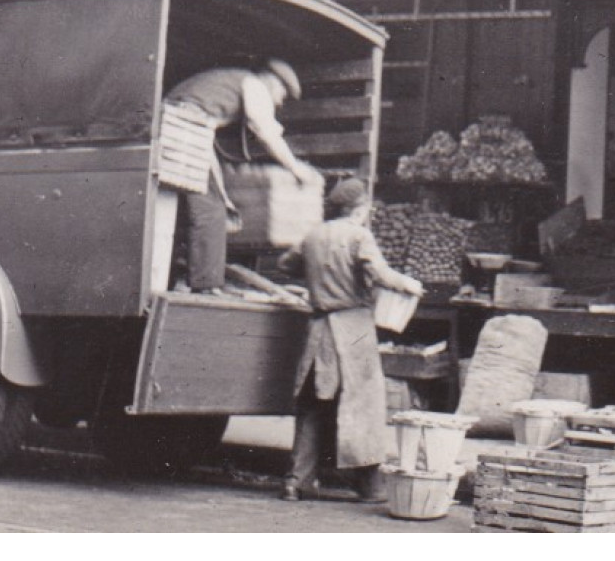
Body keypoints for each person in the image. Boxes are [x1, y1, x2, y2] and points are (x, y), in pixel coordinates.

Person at [276, 177, 422, 503]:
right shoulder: (359, 236)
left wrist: (317, 277)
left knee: (313, 406)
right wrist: (408, 285)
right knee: (361, 406)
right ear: (360, 208)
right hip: (353, 329)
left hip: (318, 330)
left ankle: (295, 482)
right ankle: (369, 486)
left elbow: (285, 264)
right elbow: (382, 274)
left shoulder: (314, 234)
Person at [163, 60, 315, 294]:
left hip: (171, 123)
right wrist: (295, 169)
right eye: (281, 95)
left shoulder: (228, 80)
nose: (279, 102)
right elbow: (264, 130)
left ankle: (173, 278)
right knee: (211, 208)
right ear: (272, 81)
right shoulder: (254, 85)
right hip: (186, 128)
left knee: (182, 210)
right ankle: (206, 284)